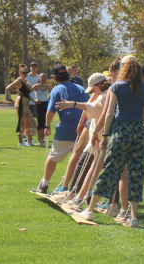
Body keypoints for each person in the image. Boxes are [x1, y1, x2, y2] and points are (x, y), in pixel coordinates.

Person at [79, 56, 144, 227]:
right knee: (136, 173)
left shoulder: (116, 86)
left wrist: (105, 135)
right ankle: (133, 217)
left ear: (123, 68)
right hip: (138, 132)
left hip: (121, 131)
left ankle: (90, 210)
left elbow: (109, 114)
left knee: (110, 169)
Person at [32, 64, 89, 194]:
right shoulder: (81, 88)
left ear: (54, 77)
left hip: (66, 127)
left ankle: (44, 184)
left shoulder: (56, 90)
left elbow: (50, 111)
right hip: (84, 128)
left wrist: (47, 126)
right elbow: (88, 107)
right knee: (78, 159)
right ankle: (75, 188)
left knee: (53, 157)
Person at [54, 73, 109, 207]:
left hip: (100, 137)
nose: (93, 92)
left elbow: (92, 108)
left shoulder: (104, 96)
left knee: (89, 167)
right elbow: (90, 106)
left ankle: (78, 196)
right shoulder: (102, 94)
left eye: (94, 89)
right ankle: (75, 193)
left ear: (100, 85)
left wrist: (71, 104)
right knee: (83, 163)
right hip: (95, 135)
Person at [6, 64, 36, 146]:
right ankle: (20, 141)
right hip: (21, 101)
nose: (25, 74)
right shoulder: (19, 80)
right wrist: (17, 90)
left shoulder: (25, 80)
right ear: (20, 73)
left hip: (26, 102)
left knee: (31, 120)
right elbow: (8, 88)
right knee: (21, 120)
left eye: (26, 72)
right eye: (23, 72)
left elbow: (30, 90)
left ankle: (29, 141)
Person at [32, 73, 52, 144]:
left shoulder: (48, 87)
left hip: (45, 104)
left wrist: (49, 100)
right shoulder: (36, 86)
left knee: (44, 123)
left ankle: (42, 140)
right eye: (42, 77)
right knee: (39, 122)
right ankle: (38, 140)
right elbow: (27, 93)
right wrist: (34, 100)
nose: (43, 78)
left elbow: (53, 95)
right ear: (39, 78)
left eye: (45, 77)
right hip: (38, 105)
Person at [26, 62, 40, 144]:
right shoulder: (26, 76)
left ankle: (31, 136)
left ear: (37, 68)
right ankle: (25, 135)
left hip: (36, 101)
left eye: (35, 67)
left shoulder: (39, 77)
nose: (33, 68)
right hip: (28, 100)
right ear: (30, 68)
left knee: (34, 119)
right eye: (32, 67)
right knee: (27, 119)